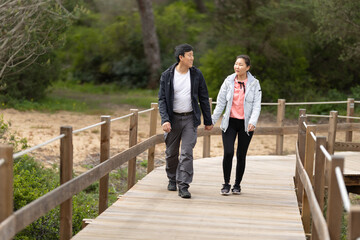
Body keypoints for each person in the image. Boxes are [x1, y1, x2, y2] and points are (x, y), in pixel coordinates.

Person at [158, 43, 213, 199]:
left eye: (193, 55)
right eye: (189, 55)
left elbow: (203, 98)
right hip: (173, 119)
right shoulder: (167, 75)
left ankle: (184, 185)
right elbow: (162, 99)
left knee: (187, 153)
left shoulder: (196, 74)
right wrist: (165, 119)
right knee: (171, 153)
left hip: (190, 118)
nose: (192, 58)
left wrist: (208, 120)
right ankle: (172, 179)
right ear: (181, 57)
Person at [212, 55, 261, 195]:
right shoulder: (228, 81)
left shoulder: (254, 83)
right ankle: (226, 183)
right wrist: (212, 120)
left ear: (247, 67)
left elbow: (257, 106)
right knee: (228, 152)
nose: (237, 67)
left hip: (246, 124)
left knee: (241, 155)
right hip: (230, 122)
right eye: (236, 64)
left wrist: (253, 122)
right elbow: (220, 102)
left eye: (240, 64)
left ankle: (237, 184)